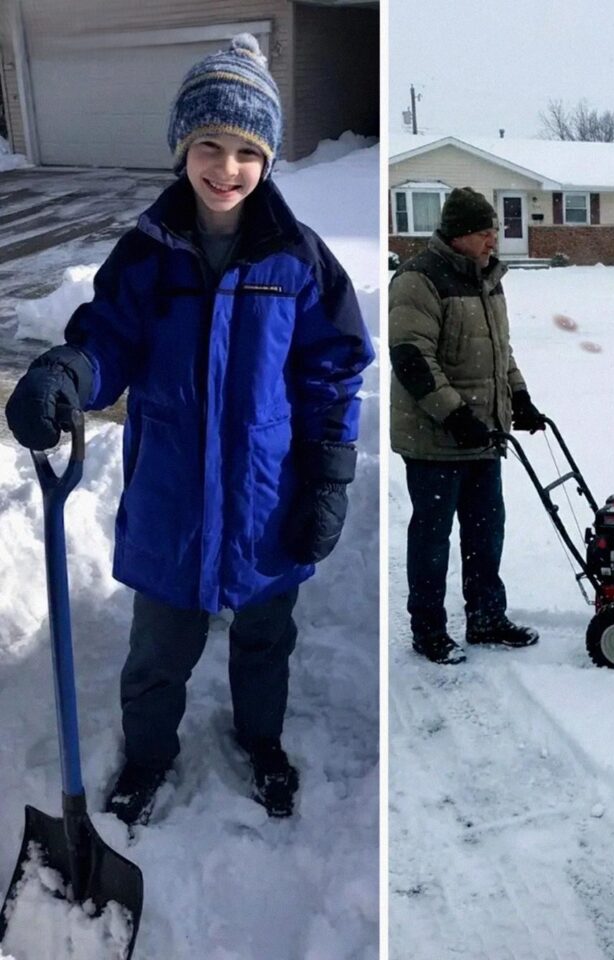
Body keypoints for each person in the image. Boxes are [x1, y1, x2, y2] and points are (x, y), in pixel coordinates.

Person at [5, 34, 374, 823]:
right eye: (209, 144)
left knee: (265, 640)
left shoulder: (297, 260)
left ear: (267, 159)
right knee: (158, 649)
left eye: (247, 150)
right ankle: (147, 756)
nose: (226, 167)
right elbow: (107, 339)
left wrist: (329, 479)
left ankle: (261, 740)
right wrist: (67, 372)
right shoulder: (147, 254)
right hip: (171, 498)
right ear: (182, 148)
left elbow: (333, 371)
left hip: (265, 498)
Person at [389, 186, 545, 665]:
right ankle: (428, 629)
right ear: (457, 234)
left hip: (483, 435)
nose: (492, 240)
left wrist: (519, 397)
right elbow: (412, 358)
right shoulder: (419, 279)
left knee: (485, 532)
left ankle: (486, 617)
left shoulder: (489, 278)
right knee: (432, 539)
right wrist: (456, 415)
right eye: (483, 232)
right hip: (435, 439)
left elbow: (500, 351)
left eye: (493, 230)